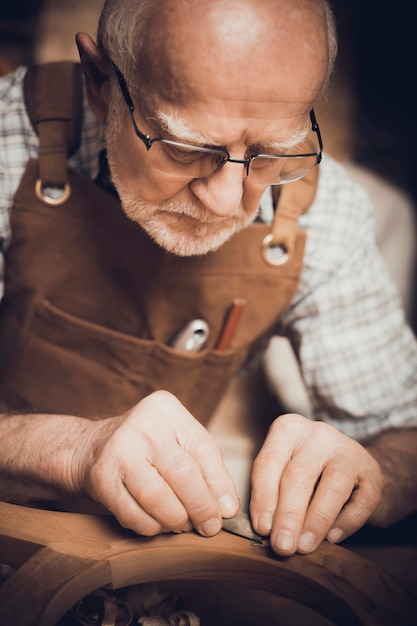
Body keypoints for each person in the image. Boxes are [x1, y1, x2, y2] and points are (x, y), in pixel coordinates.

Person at [0, 0, 416, 560]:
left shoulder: (326, 210)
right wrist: (74, 451)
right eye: (185, 148)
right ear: (102, 82)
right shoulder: (9, 144)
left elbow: (404, 432)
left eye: (271, 152)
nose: (226, 201)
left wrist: (370, 470)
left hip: (147, 563)